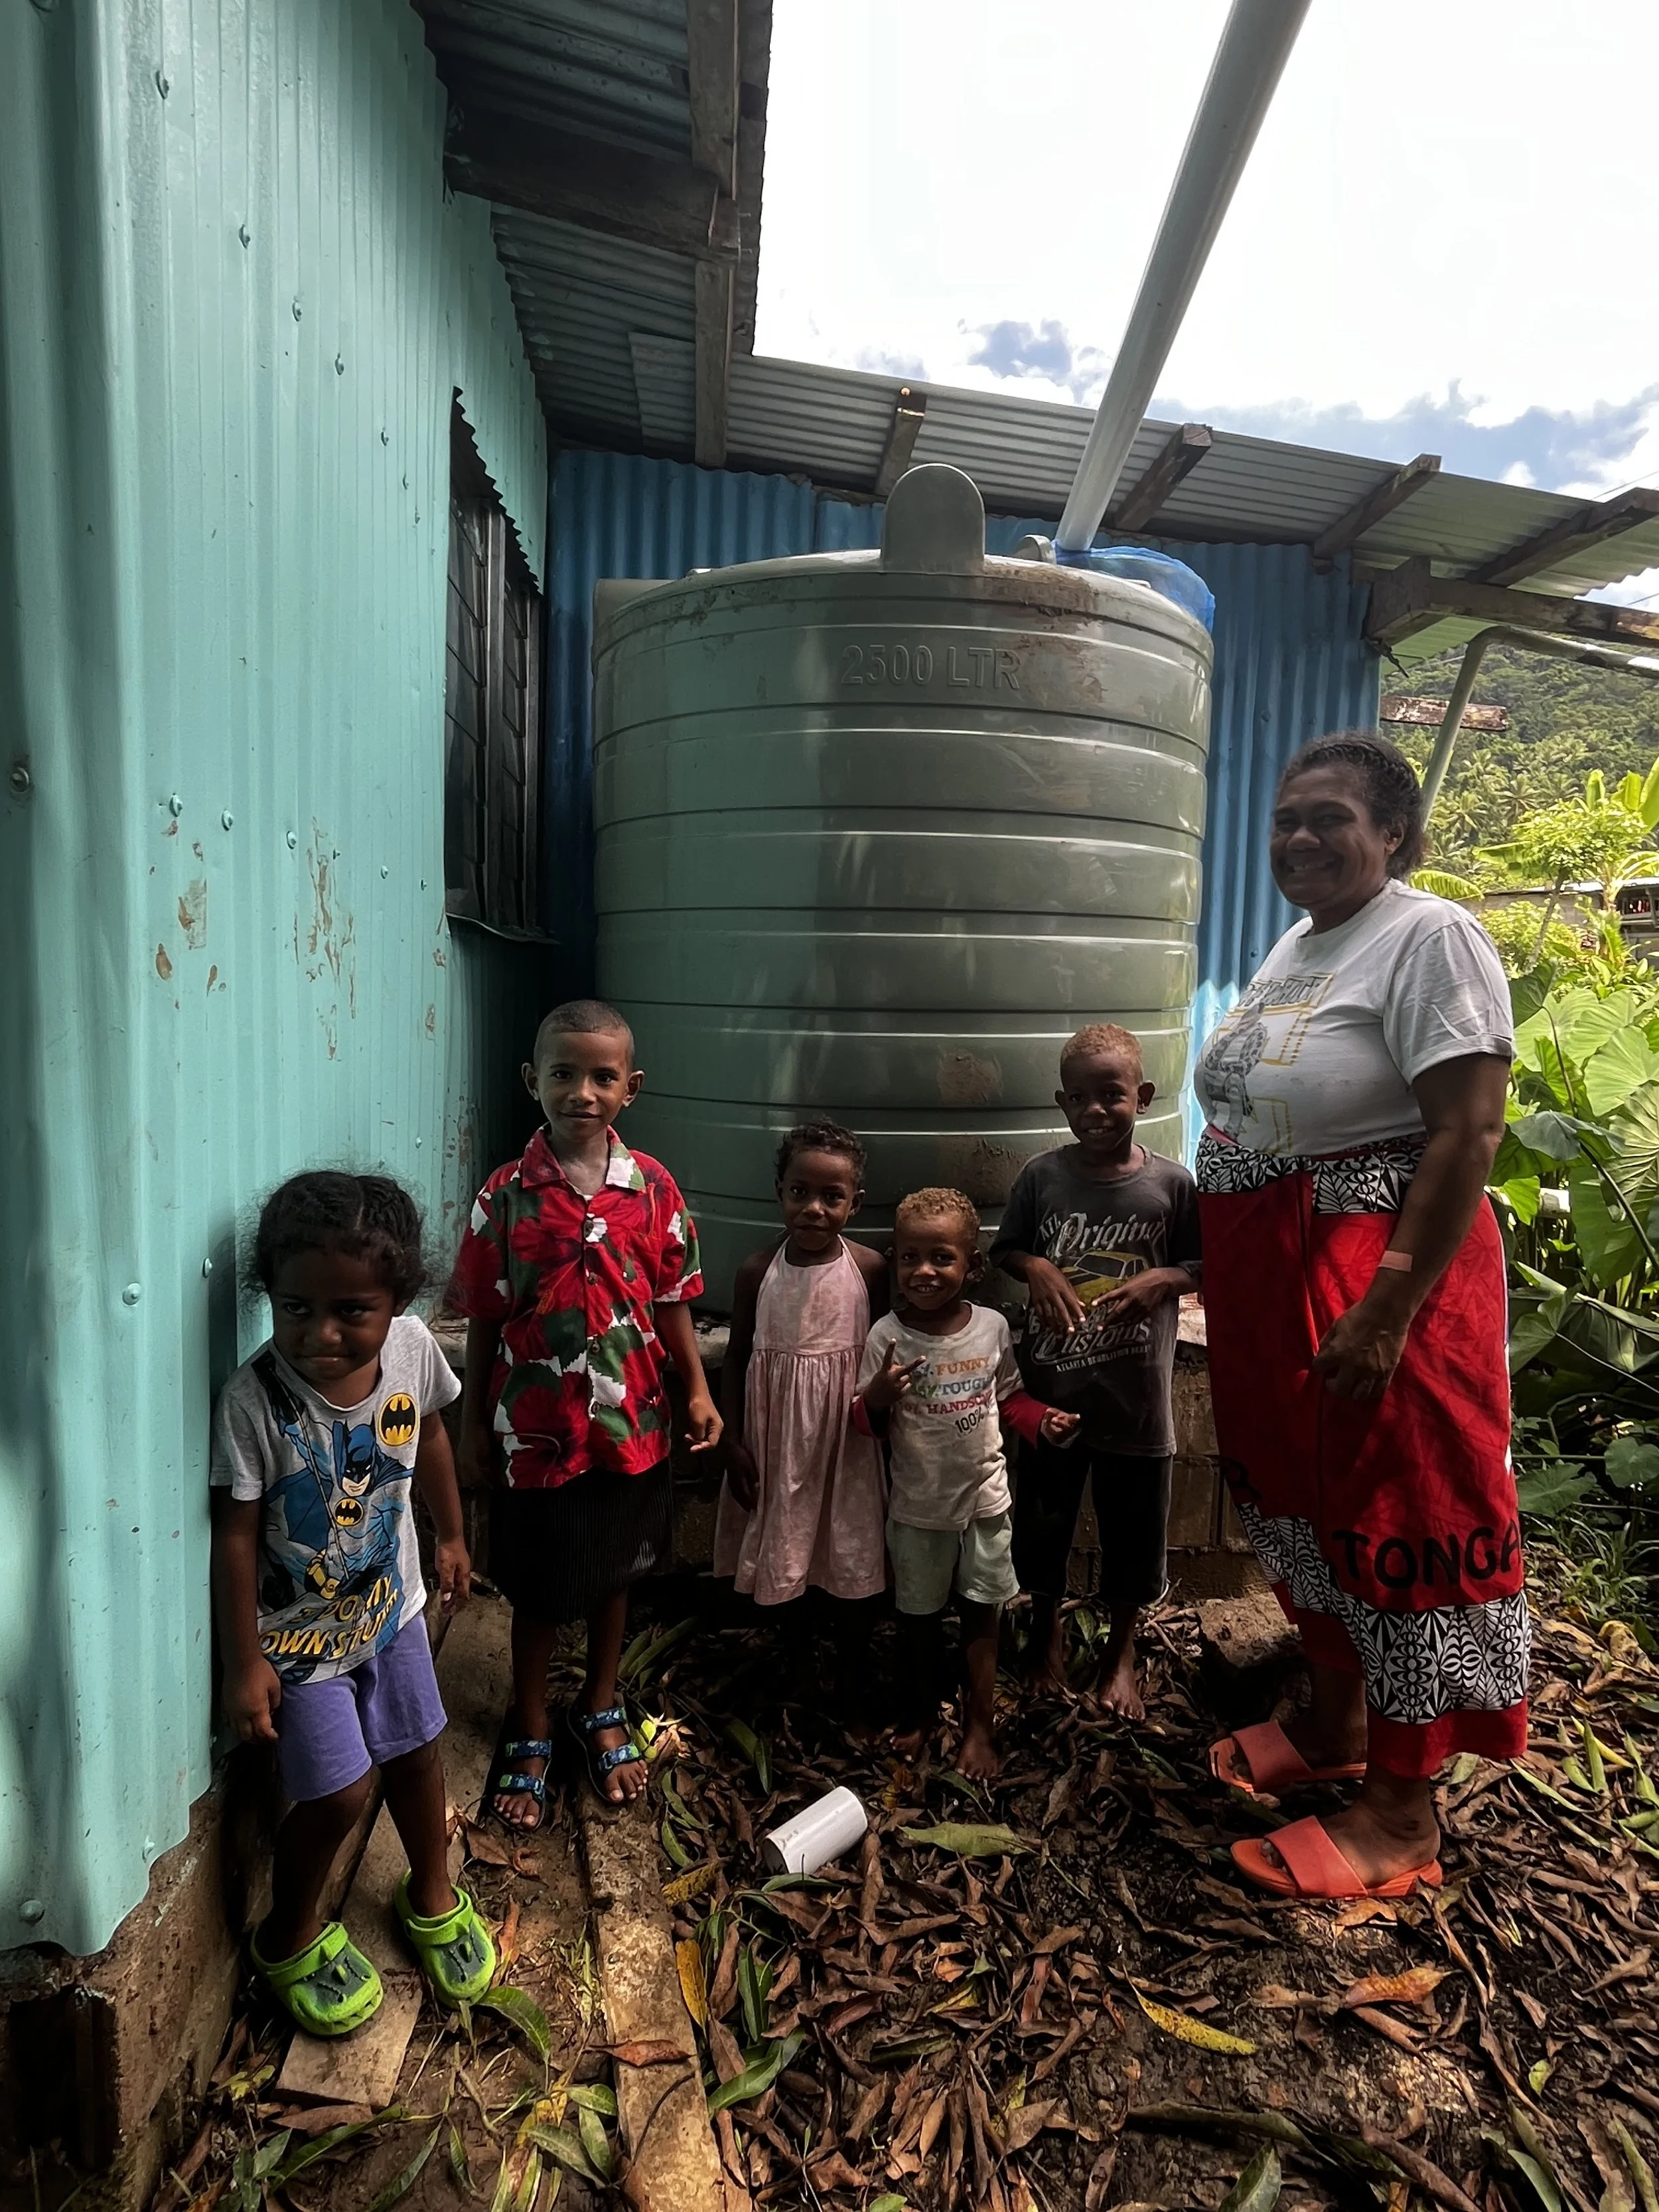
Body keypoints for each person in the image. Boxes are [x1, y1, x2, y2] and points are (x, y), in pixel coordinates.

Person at [1192, 732, 1521, 1903]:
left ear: (1394, 832)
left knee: (1402, 1512)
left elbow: (1467, 1133)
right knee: (1299, 1503)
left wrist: (1385, 1311)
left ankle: (1400, 1808)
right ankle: (1333, 1726)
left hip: (1381, 1276)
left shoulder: (1431, 935)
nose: (1298, 838)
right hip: (1271, 1276)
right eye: (1285, 817)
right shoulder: (1302, 940)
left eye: (1328, 817)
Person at [210, 1172, 495, 2036]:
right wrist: (245, 1662)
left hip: (395, 1608)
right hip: (300, 1644)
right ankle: (289, 1935)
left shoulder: (410, 1348)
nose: (320, 1334)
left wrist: (450, 1535)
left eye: (350, 1312)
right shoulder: (255, 1401)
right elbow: (234, 1534)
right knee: (338, 1794)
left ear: (397, 1301)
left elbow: (435, 1432)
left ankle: (432, 1891)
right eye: (295, 1307)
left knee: (416, 1751)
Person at [449, 999, 721, 1822]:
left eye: (602, 1077)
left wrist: (698, 1388)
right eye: (564, 1075)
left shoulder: (655, 1189)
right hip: (534, 1434)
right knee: (534, 1586)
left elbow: (672, 1297)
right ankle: (529, 1721)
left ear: (629, 1089)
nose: (582, 1092)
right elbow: (486, 1321)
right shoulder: (504, 1198)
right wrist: (469, 1431)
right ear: (534, 1082)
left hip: (632, 1425)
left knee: (616, 1574)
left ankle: (599, 1705)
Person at [991, 1023, 1201, 1720]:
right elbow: (1006, 1251)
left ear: (1141, 1096)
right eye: (1078, 1098)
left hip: (1136, 1402)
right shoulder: (1042, 1178)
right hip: (1055, 1395)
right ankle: (1044, 1634)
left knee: (1133, 1536)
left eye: (1111, 1095)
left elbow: (1205, 1265)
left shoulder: (1171, 1185)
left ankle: (1120, 1654)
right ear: (1061, 1103)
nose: (1095, 1111)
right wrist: (1037, 1266)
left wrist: (1163, 1280)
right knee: (1043, 1526)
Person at [853, 1188, 1078, 1779]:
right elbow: (863, 1423)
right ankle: (922, 1712)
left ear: (972, 1265)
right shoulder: (885, 1337)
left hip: (984, 1504)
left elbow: (1010, 1399)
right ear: (895, 1259)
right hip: (917, 1510)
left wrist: (1043, 1423)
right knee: (918, 1620)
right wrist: (876, 1398)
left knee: (984, 1615)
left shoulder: (992, 1327)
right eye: (910, 1258)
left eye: (942, 1258)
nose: (924, 1272)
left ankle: (980, 1727)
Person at [712, 1124, 889, 1703]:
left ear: (855, 1202)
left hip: (848, 1445)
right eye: (800, 1192)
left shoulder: (870, 1270)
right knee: (787, 1551)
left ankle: (856, 1673)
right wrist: (733, 1443)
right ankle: (801, 1673)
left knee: (853, 1550)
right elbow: (737, 1358)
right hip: (778, 1444)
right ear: (779, 1191)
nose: (814, 1208)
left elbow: (889, 1350)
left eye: (832, 1197)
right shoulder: (757, 1271)